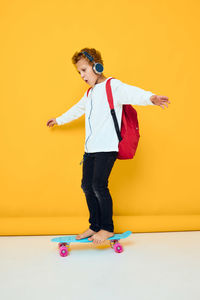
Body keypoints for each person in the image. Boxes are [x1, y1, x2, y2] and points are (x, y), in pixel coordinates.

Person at [46, 48, 170, 245]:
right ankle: (94, 225)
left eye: (84, 70)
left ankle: (107, 228)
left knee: (99, 186)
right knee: (86, 185)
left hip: (107, 147)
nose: (82, 76)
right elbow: (77, 109)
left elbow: (133, 93)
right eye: (79, 72)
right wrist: (59, 120)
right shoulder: (90, 93)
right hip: (90, 150)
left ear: (97, 66)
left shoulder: (113, 86)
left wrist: (151, 98)